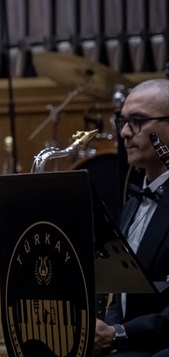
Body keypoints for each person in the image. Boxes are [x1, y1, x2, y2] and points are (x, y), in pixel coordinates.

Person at [93, 78, 169, 356]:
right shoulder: (133, 201)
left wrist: (118, 335)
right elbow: (121, 295)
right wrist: (106, 331)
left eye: (137, 121)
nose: (125, 132)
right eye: (122, 121)